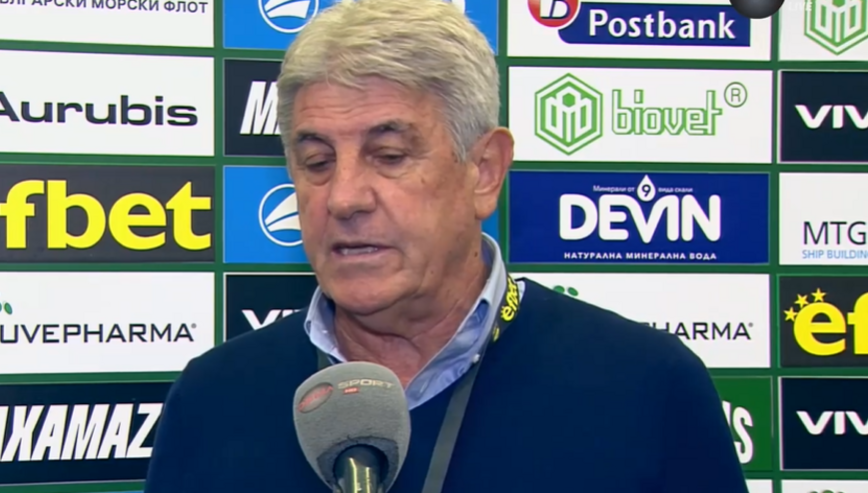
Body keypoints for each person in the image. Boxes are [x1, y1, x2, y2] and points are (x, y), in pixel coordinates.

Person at [143, 0, 749, 491]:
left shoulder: (648, 387)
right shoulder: (214, 398)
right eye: (317, 161)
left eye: (389, 156)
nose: (344, 197)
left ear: (484, 171)